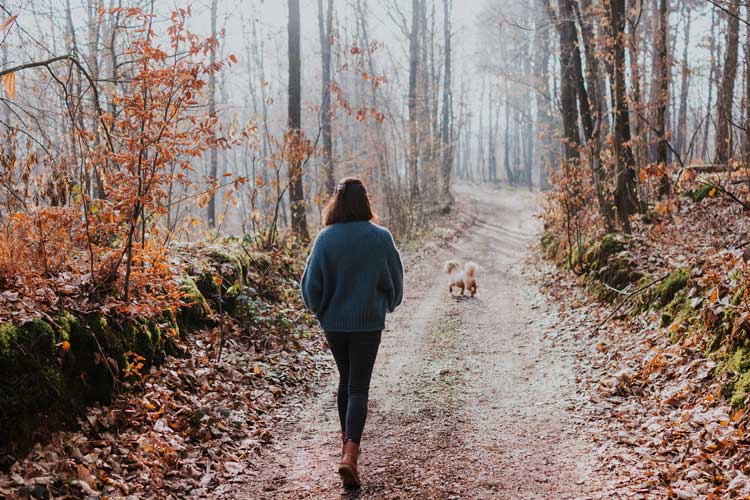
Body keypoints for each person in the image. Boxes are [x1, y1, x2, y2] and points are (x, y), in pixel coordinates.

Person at [301, 177, 403, 489]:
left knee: (345, 381)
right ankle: (350, 455)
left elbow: (309, 286)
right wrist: (389, 301)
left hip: (334, 324)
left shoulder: (325, 238)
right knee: (359, 387)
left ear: (337, 202)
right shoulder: (380, 237)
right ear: (365, 201)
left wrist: (319, 309)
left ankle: (346, 445)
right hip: (367, 323)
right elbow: (395, 279)